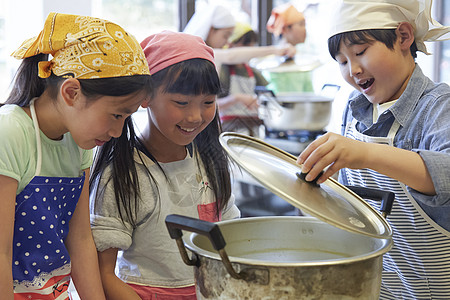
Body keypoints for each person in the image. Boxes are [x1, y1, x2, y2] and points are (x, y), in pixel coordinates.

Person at [296, 0, 450, 298]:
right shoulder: (354, 112)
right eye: (341, 61)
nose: (353, 70)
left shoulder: (438, 106)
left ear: (404, 37)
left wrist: (364, 154)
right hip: (375, 286)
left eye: (360, 52)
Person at [0, 12, 152, 299]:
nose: (118, 131)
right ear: (71, 92)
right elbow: (1, 252)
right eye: (116, 115)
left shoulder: (77, 142)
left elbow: (80, 238)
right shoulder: (9, 132)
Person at [89, 31, 240, 300]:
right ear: (145, 97)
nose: (195, 116)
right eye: (181, 102)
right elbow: (103, 273)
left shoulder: (211, 161)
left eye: (208, 102)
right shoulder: (123, 174)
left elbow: (231, 242)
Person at [183, 3, 296, 69]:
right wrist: (274, 50)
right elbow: (229, 56)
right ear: (211, 30)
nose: (227, 42)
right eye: (225, 35)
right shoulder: (197, 54)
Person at [218, 22, 269, 136]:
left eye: (252, 45)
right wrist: (237, 98)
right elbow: (215, 106)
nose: (250, 50)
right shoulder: (222, 71)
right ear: (231, 44)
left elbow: (267, 96)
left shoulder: (253, 72)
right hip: (230, 130)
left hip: (253, 131)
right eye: (246, 44)